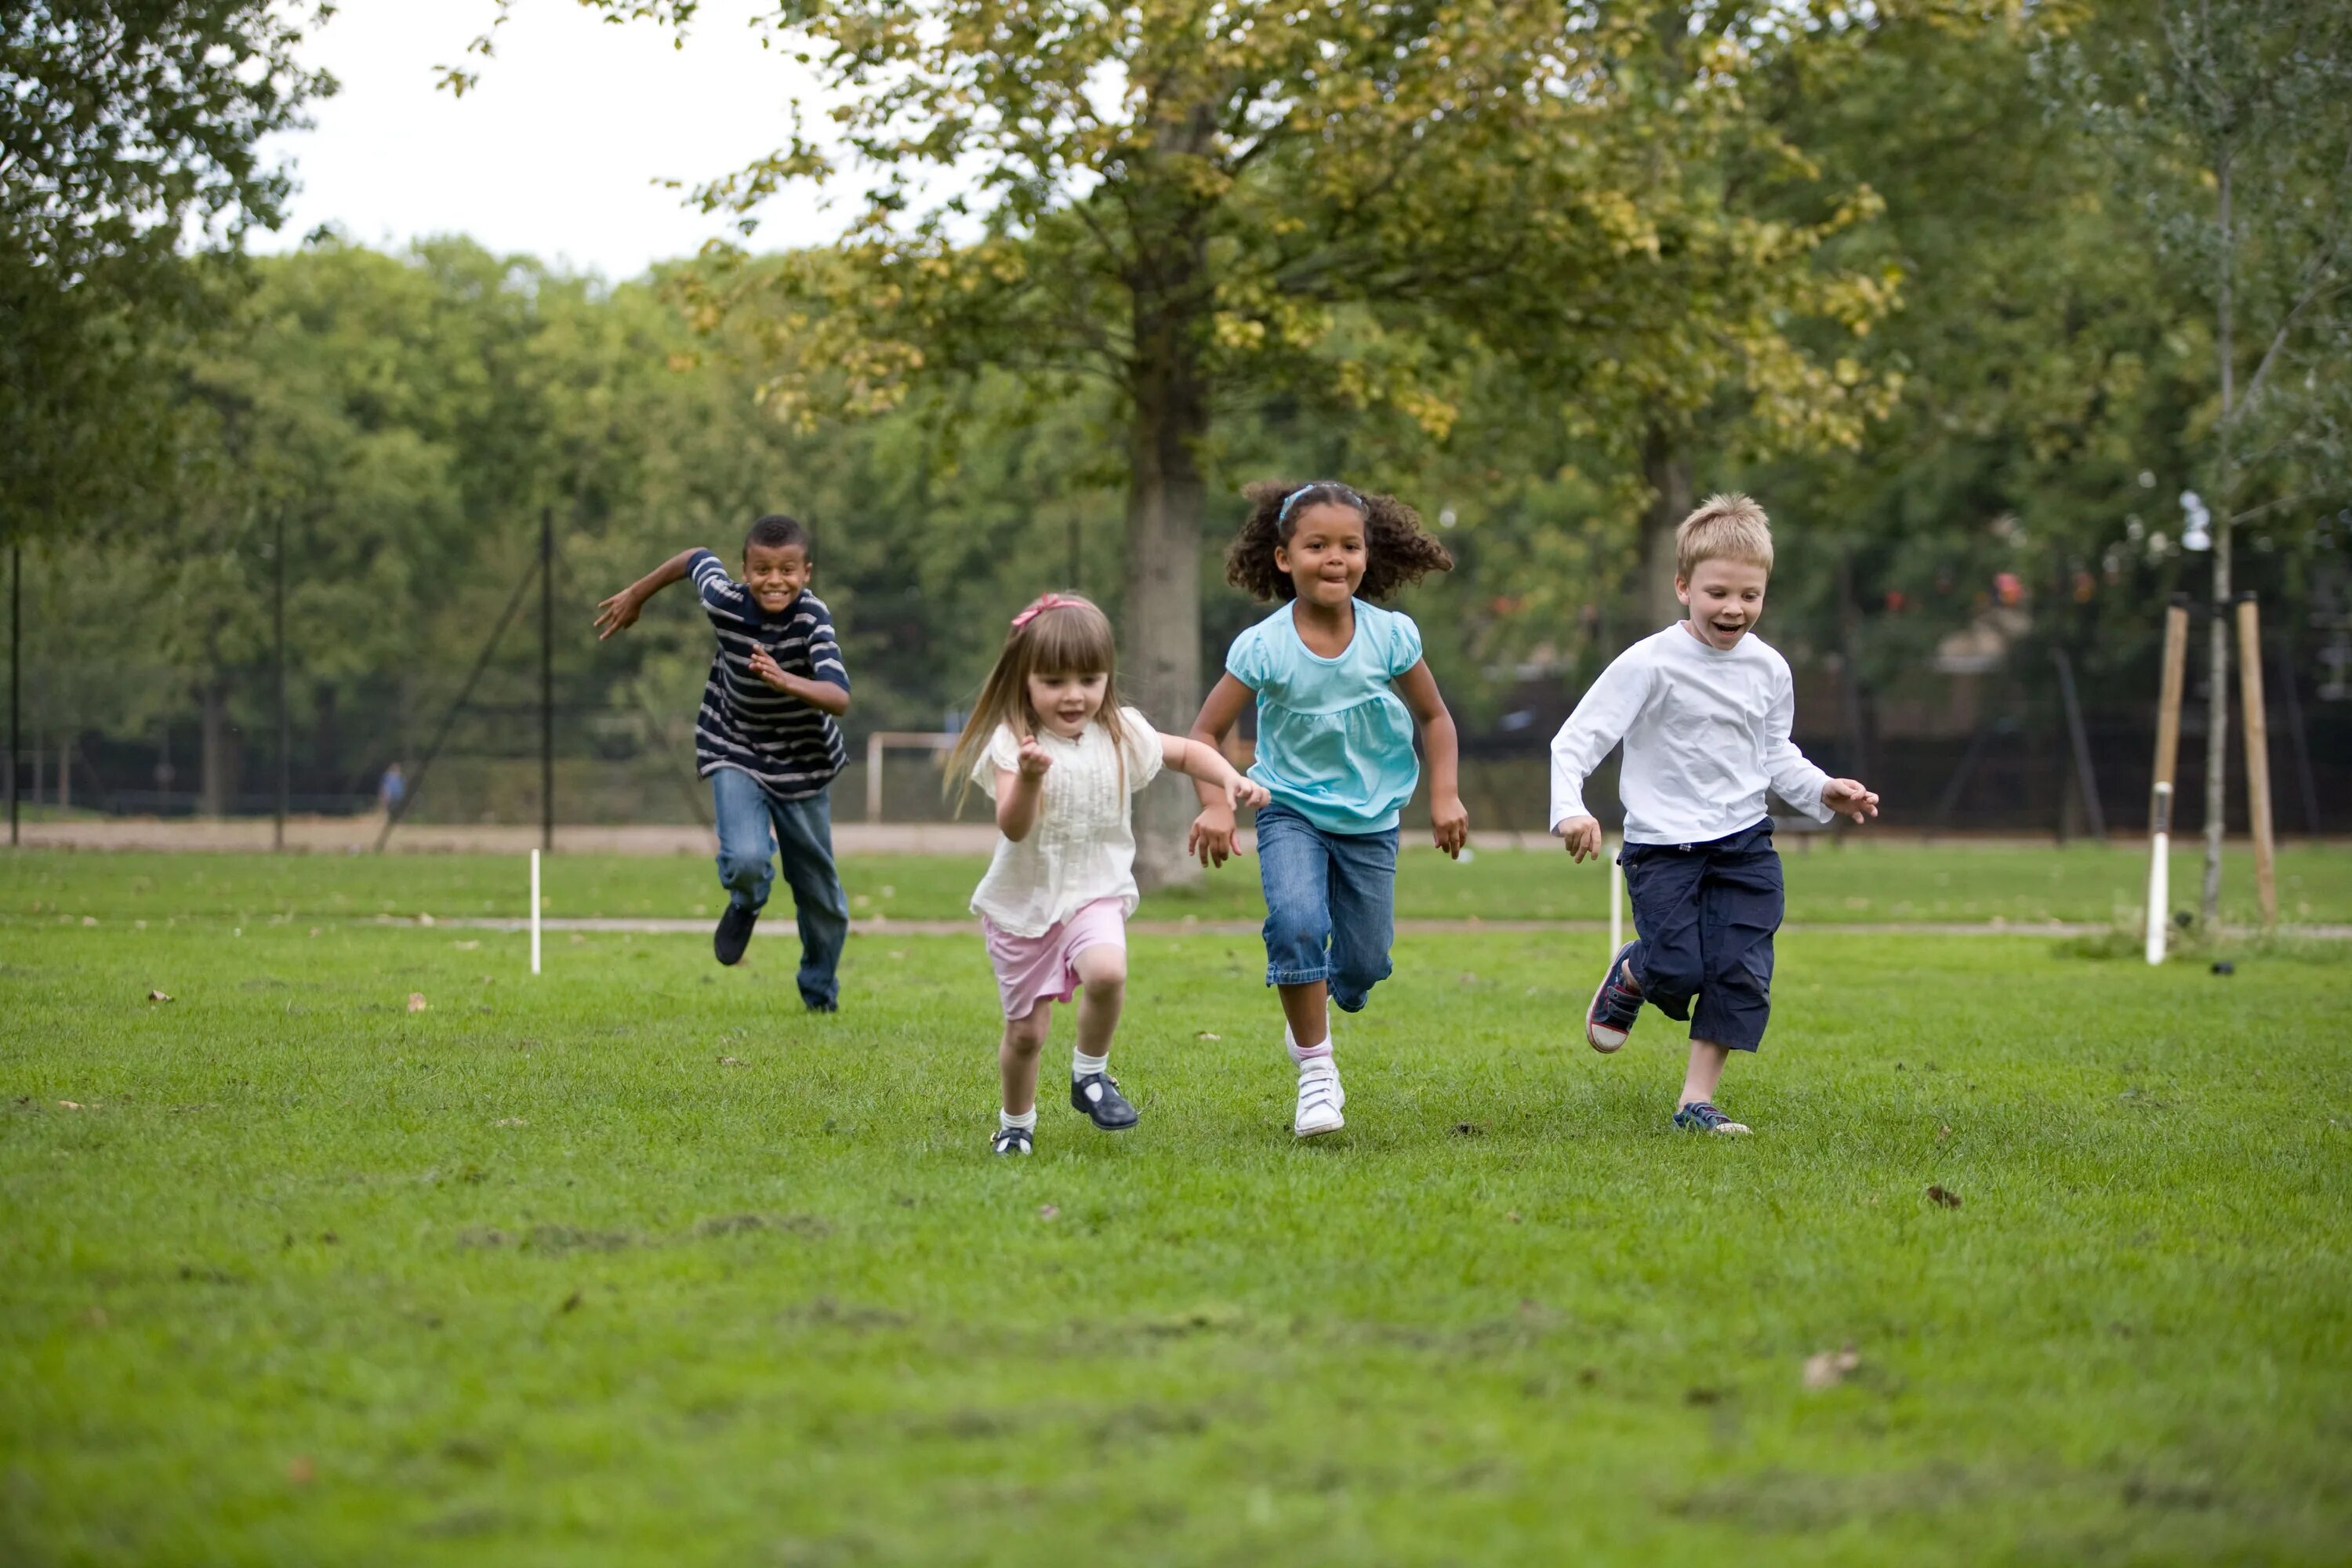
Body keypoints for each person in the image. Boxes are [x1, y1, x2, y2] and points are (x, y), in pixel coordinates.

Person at [1550, 493, 1880, 1134]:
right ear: (1683, 587)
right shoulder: (1649, 663)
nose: (1734, 608)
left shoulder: (1769, 669)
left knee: (1740, 971)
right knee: (1677, 970)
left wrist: (1822, 791)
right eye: (1718, 592)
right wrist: (1570, 809)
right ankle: (1636, 970)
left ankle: (1694, 1103)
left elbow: (1775, 753)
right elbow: (1577, 740)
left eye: (1750, 596)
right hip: (1663, 849)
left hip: (1744, 845)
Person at [1187, 481, 1468, 1140]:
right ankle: (1317, 1071)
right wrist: (1217, 805)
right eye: (1317, 546)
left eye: (1349, 545)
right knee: (1297, 924)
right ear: (1285, 559)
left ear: (1368, 555)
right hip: (1288, 808)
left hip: (1372, 819)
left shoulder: (1391, 636)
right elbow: (1204, 736)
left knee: (1364, 966)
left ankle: (1325, 995)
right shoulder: (1265, 646)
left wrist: (1446, 794)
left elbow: (1435, 717)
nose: (1334, 558)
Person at [950, 593, 1269, 1156]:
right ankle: (1016, 1125)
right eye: (1053, 681)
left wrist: (1229, 781)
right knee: (1026, 1035)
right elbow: (1015, 827)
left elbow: (1190, 754)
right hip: (1024, 907)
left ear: (1106, 678)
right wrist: (1027, 778)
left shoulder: (1121, 732)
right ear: (1024, 680)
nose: (1074, 695)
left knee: (1108, 972)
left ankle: (1089, 1075)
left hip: (1095, 891)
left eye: (1089, 679)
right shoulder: (1012, 744)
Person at [595, 514, 853, 1011]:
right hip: (733, 744)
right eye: (761, 569)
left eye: (788, 570)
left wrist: (786, 681)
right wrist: (636, 594)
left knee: (821, 896)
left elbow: (838, 696)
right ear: (744, 569)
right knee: (747, 861)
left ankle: (819, 992)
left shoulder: (813, 618)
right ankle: (746, 901)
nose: (774, 581)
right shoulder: (724, 600)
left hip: (803, 764)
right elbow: (693, 558)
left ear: (807, 572)